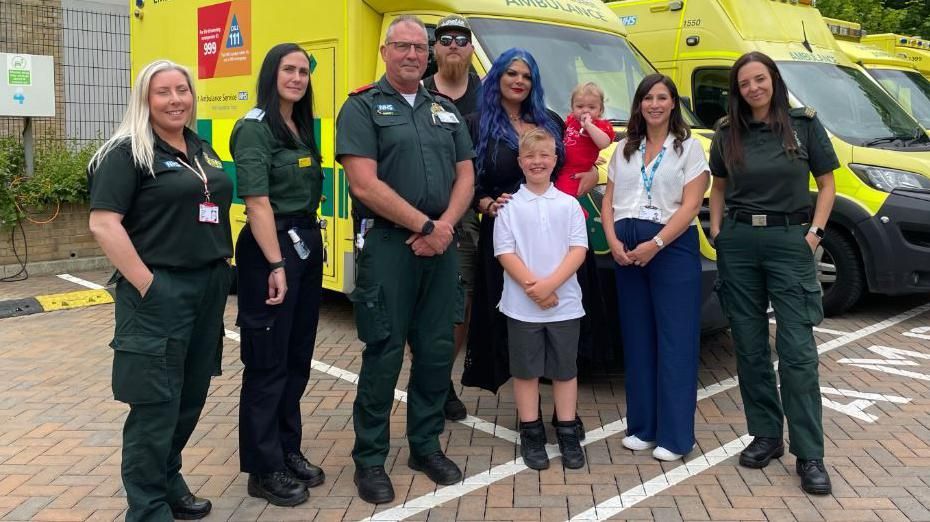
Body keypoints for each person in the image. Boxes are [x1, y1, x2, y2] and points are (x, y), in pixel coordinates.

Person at [335, 15, 475, 505]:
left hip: (440, 246)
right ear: (385, 51)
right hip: (390, 246)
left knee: (437, 351)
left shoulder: (444, 110)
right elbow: (364, 183)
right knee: (385, 352)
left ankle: (424, 445)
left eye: (421, 47)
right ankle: (370, 458)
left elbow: (465, 176)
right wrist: (425, 227)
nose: (414, 54)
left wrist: (444, 229)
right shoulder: (361, 108)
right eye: (403, 46)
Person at [88, 60, 232, 521]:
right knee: (155, 405)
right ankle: (147, 508)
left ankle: (168, 480)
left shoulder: (199, 147)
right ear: (145, 100)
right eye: (163, 92)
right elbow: (104, 224)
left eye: (182, 90)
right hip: (158, 291)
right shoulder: (127, 151)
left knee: (190, 397)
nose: (175, 100)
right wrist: (148, 284)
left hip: (207, 287)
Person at [708, 51, 837, 495]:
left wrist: (815, 234)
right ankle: (766, 435)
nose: (753, 89)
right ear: (737, 91)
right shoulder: (727, 133)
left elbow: (827, 183)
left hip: (789, 242)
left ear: (773, 80)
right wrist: (719, 232)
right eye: (744, 84)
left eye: (759, 80)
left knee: (797, 350)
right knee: (748, 344)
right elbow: (718, 187)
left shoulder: (803, 125)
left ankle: (810, 454)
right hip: (740, 245)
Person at [230, 43, 326, 507]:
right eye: (289, 69)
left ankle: (288, 450)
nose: (297, 78)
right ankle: (263, 468)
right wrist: (275, 264)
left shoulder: (301, 126)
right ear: (272, 74)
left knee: (296, 359)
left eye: (303, 71)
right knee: (267, 363)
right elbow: (256, 203)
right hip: (272, 250)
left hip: (306, 244)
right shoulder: (253, 128)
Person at [602, 74, 709, 462]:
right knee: (638, 340)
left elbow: (691, 205)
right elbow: (610, 200)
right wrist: (613, 241)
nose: (654, 104)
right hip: (627, 252)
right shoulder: (624, 149)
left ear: (672, 103)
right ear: (639, 105)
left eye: (662, 97)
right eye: (648, 98)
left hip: (670, 250)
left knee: (675, 342)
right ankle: (643, 427)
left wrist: (656, 243)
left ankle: (676, 437)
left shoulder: (689, 149)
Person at [495, 128, 588, 470]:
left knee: (564, 371)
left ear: (555, 159)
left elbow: (579, 249)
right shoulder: (509, 206)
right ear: (520, 162)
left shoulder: (569, 205)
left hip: (564, 305)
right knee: (526, 371)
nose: (537, 162)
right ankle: (531, 431)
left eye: (544, 155)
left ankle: (565, 429)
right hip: (522, 306)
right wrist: (535, 288)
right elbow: (505, 252)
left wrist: (550, 286)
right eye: (530, 157)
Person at [421, 14, 481, 422]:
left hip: (469, 218)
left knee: (461, 303)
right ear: (435, 47)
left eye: (462, 39)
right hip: (418, 217)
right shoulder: (417, 92)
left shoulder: (486, 95)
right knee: (421, 304)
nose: (454, 45)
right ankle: (431, 379)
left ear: (472, 48)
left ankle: (440, 379)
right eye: (446, 38)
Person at [555, 82, 614, 202]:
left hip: (576, 171)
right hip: (562, 166)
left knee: (563, 196)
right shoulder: (571, 121)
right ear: (572, 108)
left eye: (591, 107)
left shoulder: (599, 126)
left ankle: (579, 214)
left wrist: (588, 126)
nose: (585, 111)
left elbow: (604, 143)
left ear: (600, 110)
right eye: (580, 106)